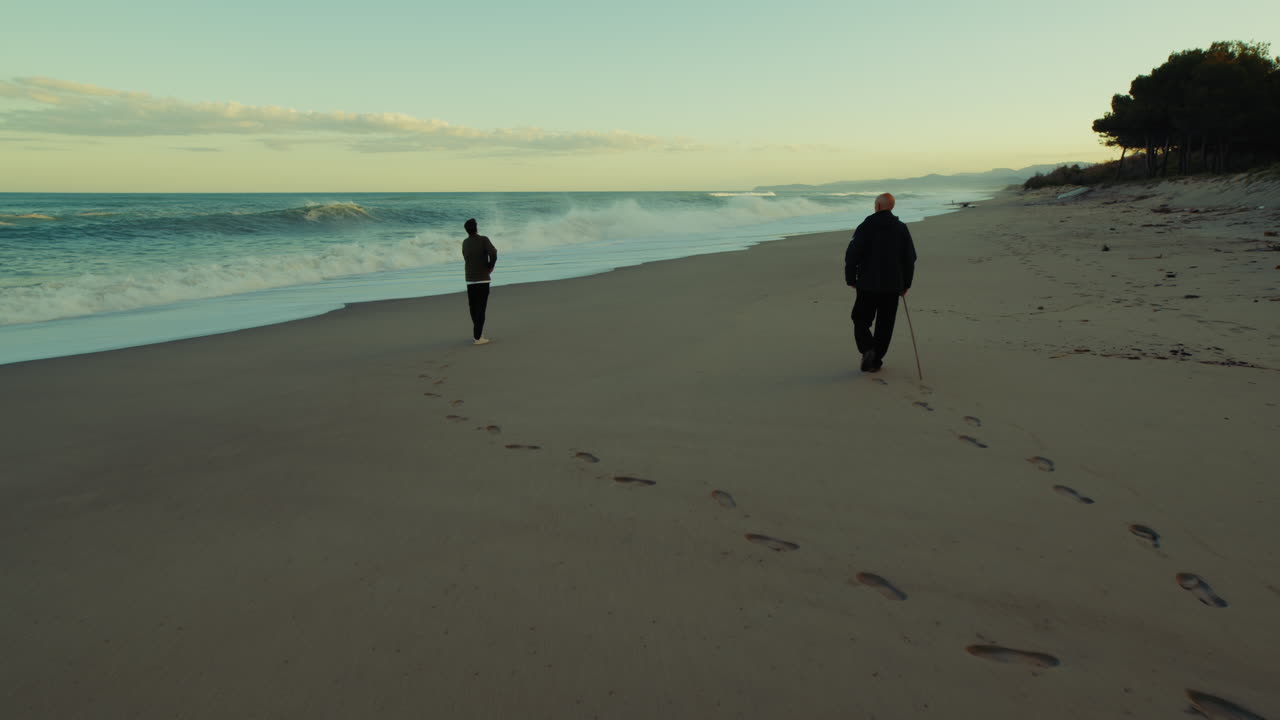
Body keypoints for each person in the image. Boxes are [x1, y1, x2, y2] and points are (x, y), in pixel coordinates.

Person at [844, 193, 916, 372]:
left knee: (860, 319)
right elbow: (910, 258)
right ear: (891, 207)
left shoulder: (865, 226)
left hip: (867, 283)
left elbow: (852, 254)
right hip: (892, 285)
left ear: (877, 206)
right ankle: (875, 360)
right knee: (885, 323)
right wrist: (906, 284)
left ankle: (868, 349)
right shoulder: (901, 228)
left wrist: (850, 278)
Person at [461, 218, 498, 345]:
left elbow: (466, 256)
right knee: (481, 308)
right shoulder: (483, 239)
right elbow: (493, 252)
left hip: (470, 280)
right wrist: (490, 266)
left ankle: (478, 333)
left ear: (466, 230)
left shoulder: (465, 242)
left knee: (473, 308)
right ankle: (478, 337)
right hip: (482, 279)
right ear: (476, 228)